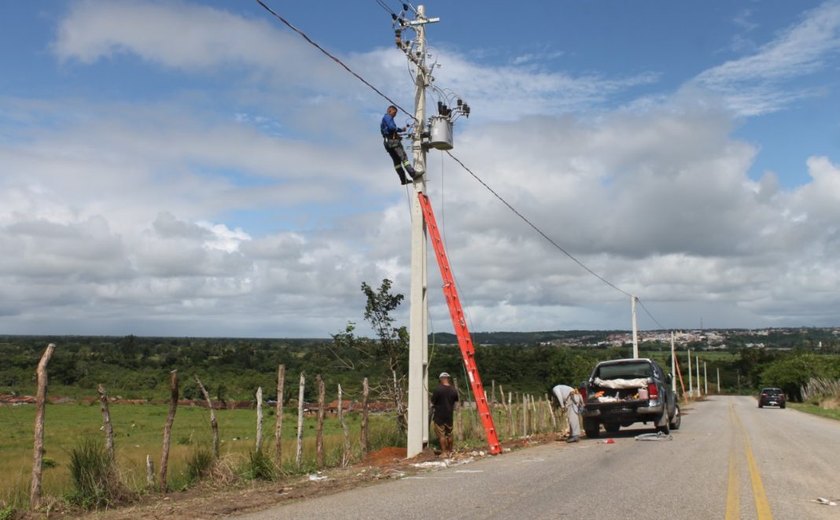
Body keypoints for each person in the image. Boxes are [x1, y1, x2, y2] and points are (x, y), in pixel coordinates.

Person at [381, 105, 420, 185]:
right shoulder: (387, 117)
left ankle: (403, 180)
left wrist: (399, 134)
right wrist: (399, 130)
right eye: (394, 113)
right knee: (403, 158)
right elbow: (392, 127)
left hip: (387, 143)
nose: (394, 115)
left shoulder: (384, 120)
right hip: (393, 142)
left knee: (397, 163)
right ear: (389, 111)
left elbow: (388, 131)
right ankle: (413, 173)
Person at [430, 372, 459, 456]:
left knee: (441, 435)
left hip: (439, 416)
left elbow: (432, 402)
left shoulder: (438, 389)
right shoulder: (454, 390)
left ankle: (444, 452)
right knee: (449, 434)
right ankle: (450, 451)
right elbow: (456, 403)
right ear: (448, 379)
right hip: (449, 416)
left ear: (441, 379)